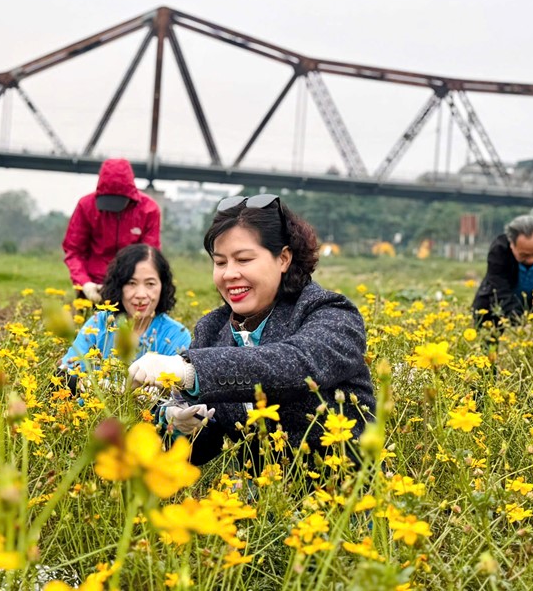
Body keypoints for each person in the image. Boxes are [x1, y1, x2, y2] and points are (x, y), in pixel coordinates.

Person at [127, 194, 376, 468]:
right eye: (220, 262)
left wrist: (190, 371)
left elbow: (295, 365)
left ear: (283, 258)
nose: (229, 274)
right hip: (264, 502)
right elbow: (197, 451)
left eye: (243, 260)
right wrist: (181, 426)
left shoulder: (330, 313)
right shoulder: (212, 330)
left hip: (346, 497)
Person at [61, 244, 191, 385]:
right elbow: (66, 374)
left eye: (150, 284)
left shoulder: (176, 335)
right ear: (119, 286)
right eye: (131, 283)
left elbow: (176, 393)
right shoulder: (99, 323)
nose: (141, 295)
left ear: (163, 286)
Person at [63, 159, 161, 304]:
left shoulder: (149, 210)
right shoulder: (86, 206)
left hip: (131, 290)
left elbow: (149, 256)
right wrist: (84, 283)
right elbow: (74, 251)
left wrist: (130, 286)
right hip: (92, 288)